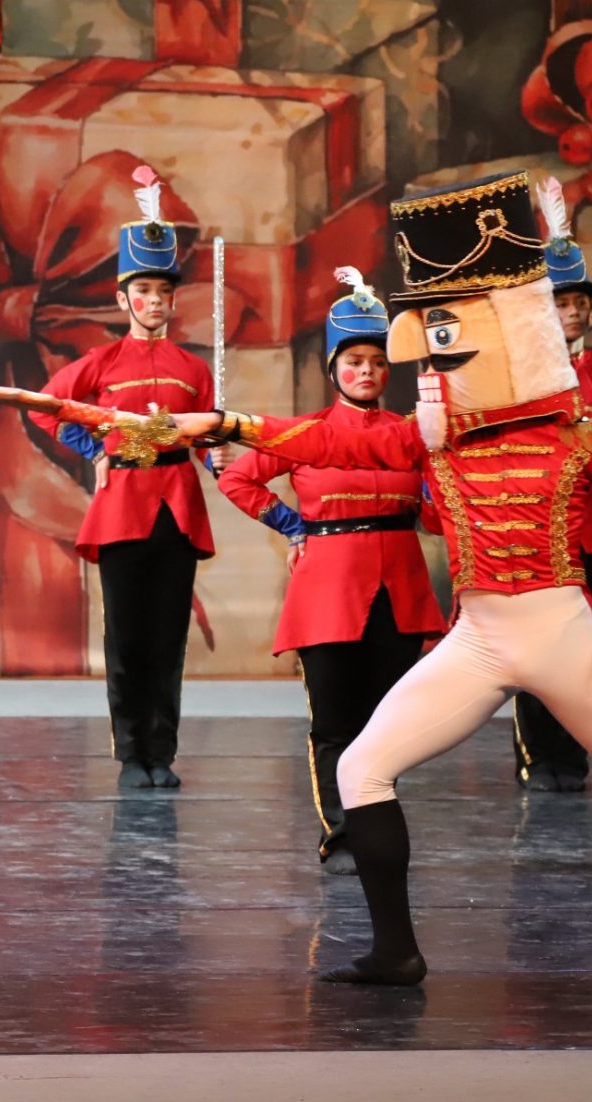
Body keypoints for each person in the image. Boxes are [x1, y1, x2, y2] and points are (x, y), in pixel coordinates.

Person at [155, 172, 592, 983]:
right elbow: (330, 441)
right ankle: (396, 952)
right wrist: (223, 422)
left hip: (562, 637)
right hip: (478, 639)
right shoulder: (440, 439)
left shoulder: (576, 437)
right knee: (361, 768)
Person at [217, 268, 446, 875]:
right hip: (327, 593)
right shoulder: (307, 433)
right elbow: (236, 478)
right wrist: (293, 526)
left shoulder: (412, 435)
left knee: (389, 723)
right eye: (354, 362)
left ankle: (378, 826)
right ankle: (342, 835)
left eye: (377, 362)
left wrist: (438, 474)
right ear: (333, 369)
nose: (366, 371)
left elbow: (434, 519)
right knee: (334, 722)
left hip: (399, 591)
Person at [27, 166, 215, 791]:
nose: (154, 302)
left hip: (177, 508)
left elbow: (208, 438)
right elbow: (45, 407)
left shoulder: (193, 368)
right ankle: (132, 754)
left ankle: (163, 753)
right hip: (122, 508)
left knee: (168, 640)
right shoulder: (101, 361)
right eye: (143, 291)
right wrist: (93, 448)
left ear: (173, 300)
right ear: (122, 299)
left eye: (163, 292)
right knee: (127, 640)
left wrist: (222, 459)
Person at [510, 185, 592, 792]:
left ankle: (574, 753)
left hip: (586, 523)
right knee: (536, 646)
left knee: (582, 645)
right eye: (561, 302)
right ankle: (538, 754)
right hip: (535, 523)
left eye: (581, 302)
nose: (574, 312)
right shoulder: (522, 371)